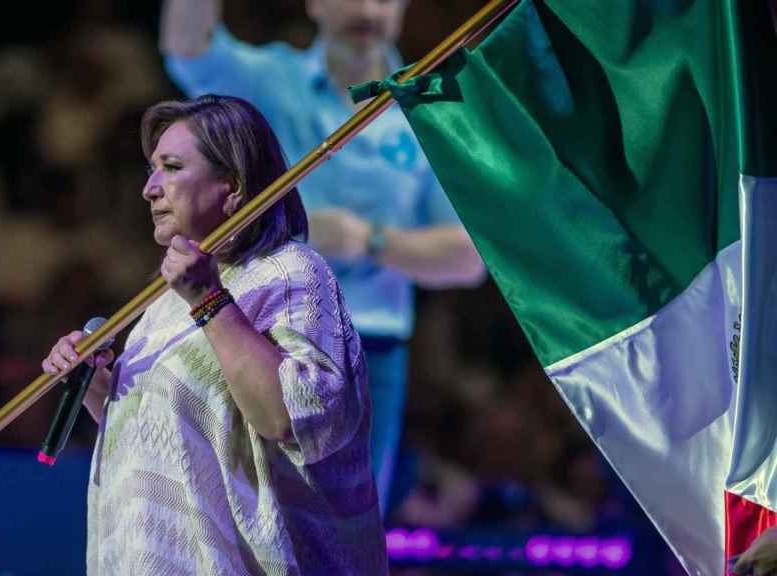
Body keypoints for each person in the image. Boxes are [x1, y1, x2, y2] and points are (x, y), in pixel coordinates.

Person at [160, 0, 485, 513]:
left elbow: (469, 259)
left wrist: (370, 240)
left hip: (368, 351)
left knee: (341, 535)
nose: (367, 10)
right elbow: (186, 49)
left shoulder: (425, 106)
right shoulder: (270, 80)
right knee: (227, 525)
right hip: (250, 332)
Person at [41, 95, 387, 575]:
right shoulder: (161, 306)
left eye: (172, 167)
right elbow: (163, 442)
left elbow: (292, 420)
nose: (150, 188)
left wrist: (209, 301)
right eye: (151, 169)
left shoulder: (289, 273)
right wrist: (96, 387)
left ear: (233, 184)